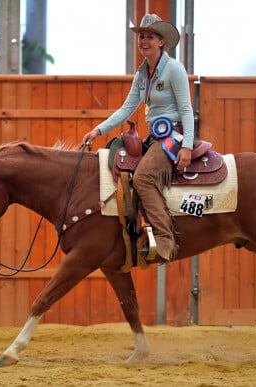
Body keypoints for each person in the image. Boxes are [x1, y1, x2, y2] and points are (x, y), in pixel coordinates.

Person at [82, 13, 195, 261]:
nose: (144, 41)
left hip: (173, 136)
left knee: (143, 177)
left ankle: (166, 240)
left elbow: (186, 109)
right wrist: (98, 130)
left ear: (162, 41)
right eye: (141, 36)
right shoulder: (142, 74)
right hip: (155, 137)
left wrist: (186, 146)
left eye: (150, 37)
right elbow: (126, 109)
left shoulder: (174, 69)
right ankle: (135, 233)